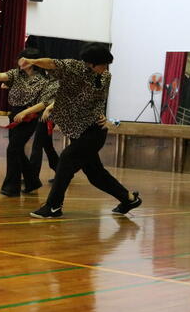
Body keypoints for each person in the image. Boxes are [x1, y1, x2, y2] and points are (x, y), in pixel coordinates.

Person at [21, 43, 142, 218]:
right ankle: (129, 199)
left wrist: (101, 115)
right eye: (103, 64)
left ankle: (53, 206)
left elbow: (93, 100)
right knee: (96, 174)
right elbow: (51, 63)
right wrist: (32, 61)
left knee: (66, 159)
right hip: (79, 132)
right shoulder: (74, 67)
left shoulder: (105, 76)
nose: (106, 68)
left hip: (94, 131)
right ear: (91, 63)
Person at [0, 48, 49, 196]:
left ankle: (11, 187)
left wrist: (25, 112)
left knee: (12, 149)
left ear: (34, 62)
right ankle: (32, 181)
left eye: (25, 59)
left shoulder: (43, 81)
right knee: (17, 150)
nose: (21, 61)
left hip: (29, 116)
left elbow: (43, 103)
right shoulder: (16, 74)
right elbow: (2, 76)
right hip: (14, 115)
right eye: (20, 58)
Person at [29, 78, 59, 183]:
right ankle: (62, 172)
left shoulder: (59, 80)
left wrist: (48, 109)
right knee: (47, 146)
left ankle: (32, 177)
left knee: (37, 145)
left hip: (48, 115)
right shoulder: (45, 79)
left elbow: (58, 98)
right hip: (41, 113)